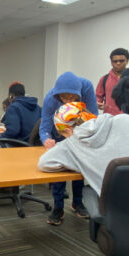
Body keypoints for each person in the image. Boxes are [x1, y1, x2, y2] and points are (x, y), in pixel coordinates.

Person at [38, 103, 129, 256]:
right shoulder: (127, 120)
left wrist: (80, 162)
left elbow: (44, 163)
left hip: (119, 215)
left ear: (66, 129)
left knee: (113, 204)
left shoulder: (71, 145)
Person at [40, 72, 98, 225]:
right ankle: (58, 207)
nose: (68, 101)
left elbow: (93, 117)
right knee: (59, 170)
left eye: (72, 97)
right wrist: (46, 139)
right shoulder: (51, 98)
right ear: (58, 95)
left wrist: (81, 135)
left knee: (79, 168)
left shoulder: (86, 88)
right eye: (64, 97)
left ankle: (78, 202)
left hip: (80, 129)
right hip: (59, 131)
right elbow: (44, 125)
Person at [0, 82, 41, 149]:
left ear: (11, 95)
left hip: (16, 145)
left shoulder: (13, 107)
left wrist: (1, 137)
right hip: (34, 146)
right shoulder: (38, 108)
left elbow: (13, 131)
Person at [95, 48, 129, 115]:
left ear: (127, 61)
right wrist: (98, 103)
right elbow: (98, 96)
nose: (118, 63)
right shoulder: (104, 79)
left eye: (121, 61)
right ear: (111, 62)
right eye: (115, 61)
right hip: (109, 118)